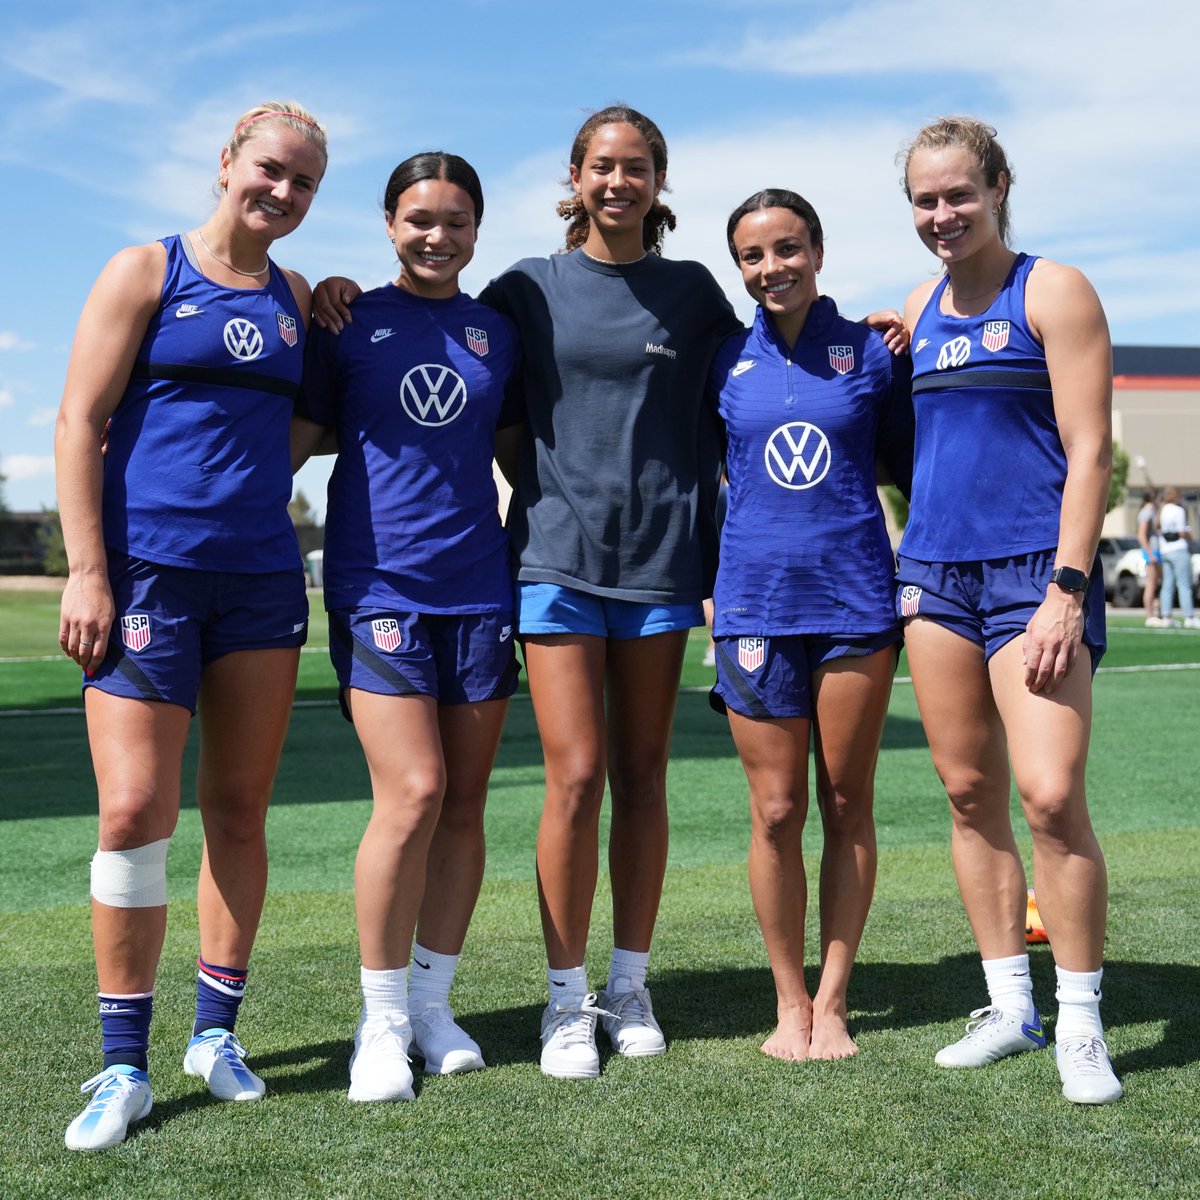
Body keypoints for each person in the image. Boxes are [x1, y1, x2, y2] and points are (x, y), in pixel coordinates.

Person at [314, 106, 742, 1080]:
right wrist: (328, 293)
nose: (618, 182)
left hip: (660, 568)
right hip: (548, 560)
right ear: (576, 176)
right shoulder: (523, 291)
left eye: (637, 168)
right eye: (602, 166)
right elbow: (471, 402)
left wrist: (881, 329)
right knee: (574, 776)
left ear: (659, 181)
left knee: (642, 778)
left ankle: (628, 985)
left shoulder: (694, 293)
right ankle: (563, 1003)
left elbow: (755, 376)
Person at [54, 101, 328, 1150]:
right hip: (144, 580)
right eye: (271, 170)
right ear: (227, 164)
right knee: (131, 813)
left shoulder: (301, 297)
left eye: (303, 183)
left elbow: (307, 424)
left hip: (260, 584)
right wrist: (88, 573)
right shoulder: (145, 270)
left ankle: (216, 1036)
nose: (283, 193)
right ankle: (122, 1064)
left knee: (240, 810)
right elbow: (79, 420)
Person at [895, 116, 1121, 1103]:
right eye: (924, 199)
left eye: (958, 194)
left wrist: (1068, 591)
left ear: (997, 187)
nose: (942, 214)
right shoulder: (916, 307)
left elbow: (1090, 451)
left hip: (1037, 578)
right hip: (936, 577)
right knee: (966, 794)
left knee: (1049, 796)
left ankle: (1079, 1021)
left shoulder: (1053, 289)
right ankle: (1009, 1006)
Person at [293, 152, 521, 1102]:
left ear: (478, 230)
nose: (438, 236)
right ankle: (380, 1021)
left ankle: (432, 1006)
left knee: (465, 803)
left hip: (479, 594)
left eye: (457, 221)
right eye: (420, 219)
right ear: (389, 223)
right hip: (379, 590)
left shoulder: (497, 333)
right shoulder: (345, 323)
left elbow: (522, 454)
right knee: (414, 792)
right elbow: (291, 445)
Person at [708, 189, 912, 1061]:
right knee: (777, 808)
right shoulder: (722, 361)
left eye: (787, 249)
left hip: (854, 603)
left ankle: (834, 999)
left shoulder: (870, 352)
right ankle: (787, 1001)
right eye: (754, 256)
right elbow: (697, 478)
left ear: (817, 251)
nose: (771, 269)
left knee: (844, 800)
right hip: (753, 605)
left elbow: (913, 461)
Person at [1156, 487, 1196, 627]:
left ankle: (1166, 616)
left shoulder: (1162, 510)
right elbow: (1181, 531)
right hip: (1178, 549)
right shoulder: (1178, 510)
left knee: (1167, 585)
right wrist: (1190, 536)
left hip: (1165, 550)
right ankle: (1189, 617)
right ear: (1176, 496)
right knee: (1184, 584)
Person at [1137, 490, 1165, 626]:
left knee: (1157, 583)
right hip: (1151, 552)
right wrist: (1150, 554)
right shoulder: (1146, 512)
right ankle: (1149, 616)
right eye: (1160, 496)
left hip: (1155, 552)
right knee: (1151, 583)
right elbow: (1141, 535)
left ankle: (1157, 614)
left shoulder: (1153, 511)